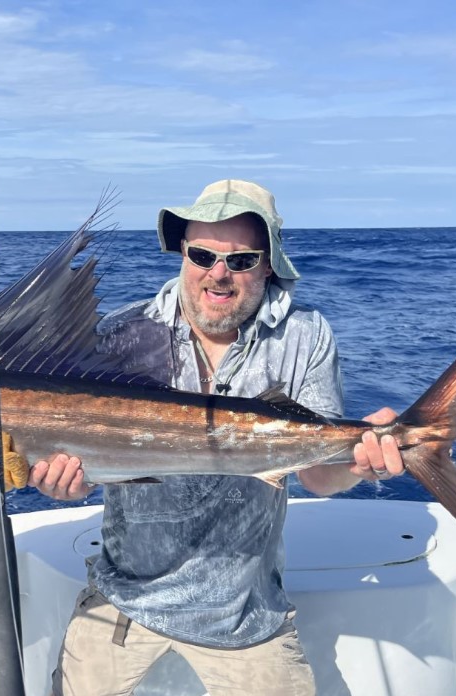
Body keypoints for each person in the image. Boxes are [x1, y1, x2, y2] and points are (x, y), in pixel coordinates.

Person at [30, 179, 406, 696]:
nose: (219, 274)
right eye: (203, 255)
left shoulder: (305, 335)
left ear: (268, 265)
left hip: (245, 616)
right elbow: (90, 459)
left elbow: (319, 477)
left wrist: (359, 464)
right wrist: (67, 482)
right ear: (183, 254)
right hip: (124, 602)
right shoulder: (121, 333)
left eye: (241, 260)